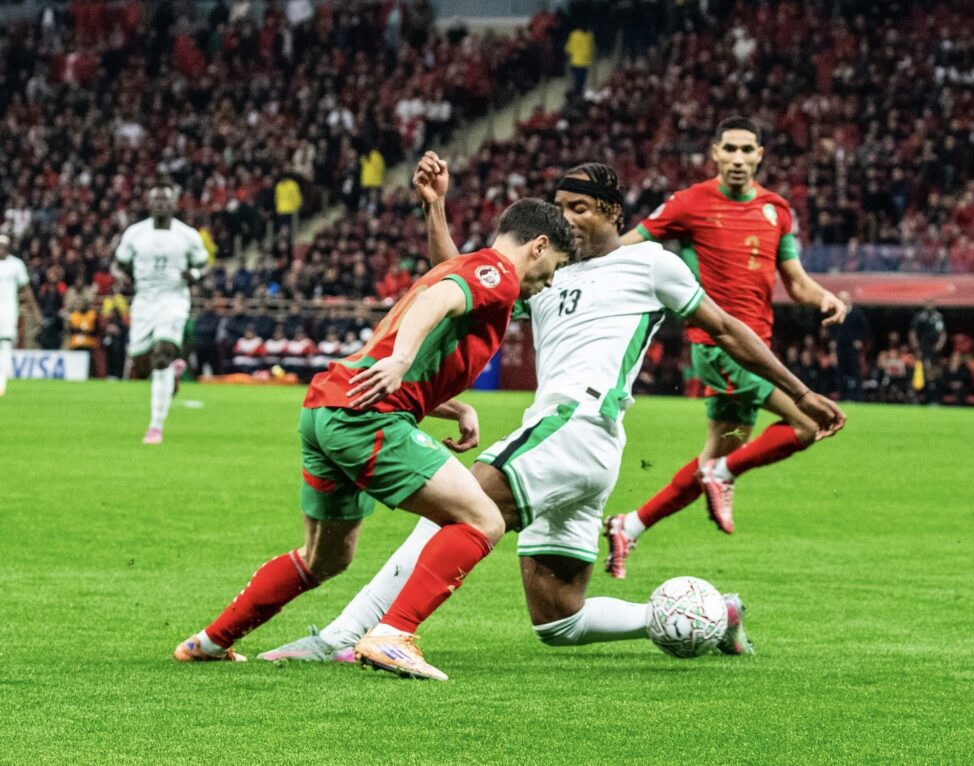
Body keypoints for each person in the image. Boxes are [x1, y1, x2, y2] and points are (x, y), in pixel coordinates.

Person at [258, 154, 843, 667]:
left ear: (613, 212)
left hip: (575, 425)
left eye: (579, 208)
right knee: (558, 619)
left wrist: (799, 394)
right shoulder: (545, 276)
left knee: (455, 509)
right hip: (581, 449)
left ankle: (344, 636)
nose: (566, 219)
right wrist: (435, 210)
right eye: (559, 208)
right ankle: (713, 614)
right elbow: (460, 282)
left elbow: (726, 329)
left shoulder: (651, 264)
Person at [172, 197, 573, 682]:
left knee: (325, 558)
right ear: (539, 246)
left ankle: (209, 642)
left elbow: (440, 289)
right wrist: (401, 359)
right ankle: (393, 634)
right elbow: (435, 301)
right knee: (483, 520)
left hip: (329, 409)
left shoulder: (467, 269)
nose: (550, 280)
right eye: (555, 267)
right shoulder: (499, 273)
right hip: (367, 420)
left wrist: (456, 406)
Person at [604, 116, 848, 578]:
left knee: (715, 455)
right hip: (720, 346)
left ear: (760, 155)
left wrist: (825, 297)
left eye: (746, 149)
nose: (738, 158)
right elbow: (625, 246)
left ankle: (629, 525)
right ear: (714, 153)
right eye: (729, 149)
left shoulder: (777, 210)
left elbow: (796, 282)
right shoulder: (689, 203)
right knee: (807, 422)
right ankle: (723, 475)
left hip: (758, 350)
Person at [114, 182, 209, 444]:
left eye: (165, 200)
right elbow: (119, 263)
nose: (160, 204)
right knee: (141, 364)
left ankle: (155, 426)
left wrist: (195, 274)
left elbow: (205, 265)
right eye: (156, 199)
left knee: (161, 355)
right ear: (149, 203)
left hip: (173, 299)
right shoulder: (135, 233)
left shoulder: (187, 235)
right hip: (144, 301)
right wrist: (122, 277)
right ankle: (172, 375)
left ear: (174, 203)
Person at [0, 233, 41, 396]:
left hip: (8, 310)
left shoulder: (16, 265)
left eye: (3, 246)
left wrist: (35, 311)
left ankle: (2, 379)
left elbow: (26, 289)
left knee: (6, 343)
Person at [830, 290, 868, 401]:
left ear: (849, 299)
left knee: (855, 372)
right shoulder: (835, 313)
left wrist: (859, 340)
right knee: (840, 372)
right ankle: (842, 396)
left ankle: (857, 396)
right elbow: (832, 330)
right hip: (840, 347)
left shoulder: (856, 313)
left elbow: (865, 329)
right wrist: (833, 344)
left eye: (844, 298)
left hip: (852, 347)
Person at [909, 299, 947, 405]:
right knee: (921, 372)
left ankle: (933, 398)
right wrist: (917, 347)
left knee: (934, 373)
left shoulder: (938, 317)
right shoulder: (920, 317)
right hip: (923, 348)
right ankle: (918, 397)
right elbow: (912, 332)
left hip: (934, 350)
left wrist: (940, 344)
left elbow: (942, 333)